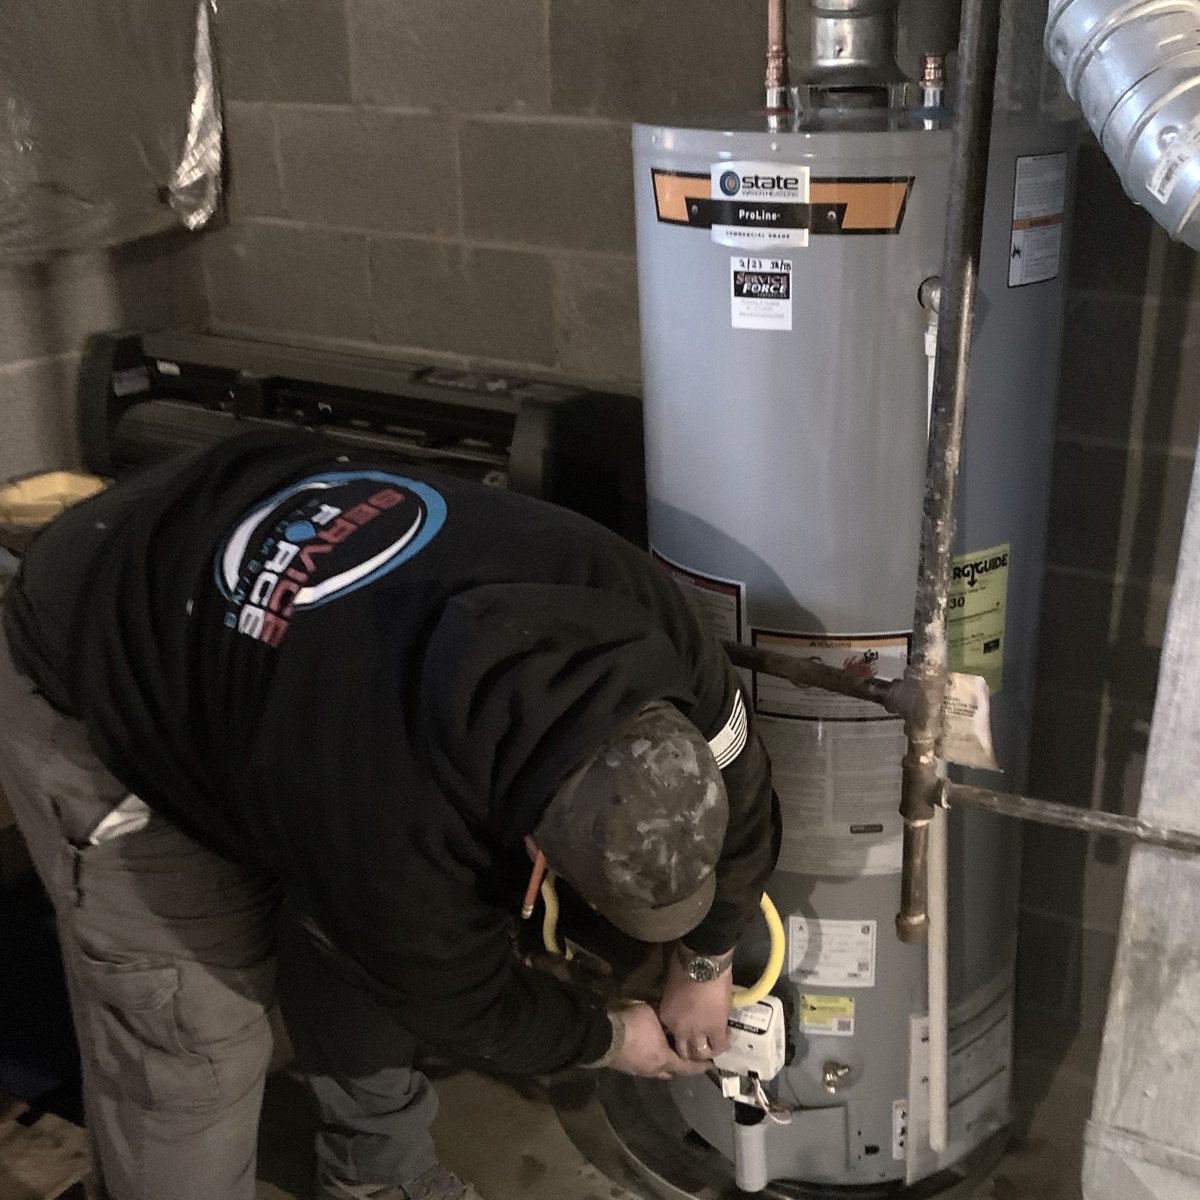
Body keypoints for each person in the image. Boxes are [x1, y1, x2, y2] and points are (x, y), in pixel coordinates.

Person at [0, 430, 779, 1200]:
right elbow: (459, 999)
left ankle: (379, 1178)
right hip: (105, 631)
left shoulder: (651, 623)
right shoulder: (393, 825)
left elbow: (744, 800)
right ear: (536, 844)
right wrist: (614, 1039)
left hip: (256, 572)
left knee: (350, 953)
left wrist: (705, 961)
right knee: (197, 1043)